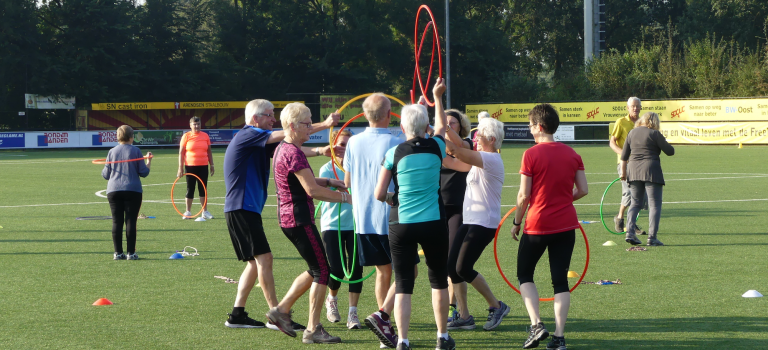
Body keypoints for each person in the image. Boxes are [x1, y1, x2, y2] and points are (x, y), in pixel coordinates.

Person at [222, 98, 338, 332]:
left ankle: (237, 314)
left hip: (244, 208)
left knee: (255, 264)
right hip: (242, 207)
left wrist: (319, 151)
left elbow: (289, 146)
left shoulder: (258, 140)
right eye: (270, 115)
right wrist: (325, 125)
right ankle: (277, 314)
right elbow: (289, 131)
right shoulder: (248, 134)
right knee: (264, 260)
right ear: (256, 118)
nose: (273, 119)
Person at [373, 78, 455, 350]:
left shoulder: (393, 152)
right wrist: (438, 97)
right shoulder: (436, 146)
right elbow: (442, 127)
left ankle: (403, 340)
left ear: (402, 127)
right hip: (433, 221)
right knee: (438, 281)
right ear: (425, 127)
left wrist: (393, 199)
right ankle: (442, 337)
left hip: (402, 223)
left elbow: (378, 193)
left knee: (404, 283)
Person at [270, 102, 351, 344]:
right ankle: (312, 329)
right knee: (322, 271)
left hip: (289, 218)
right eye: (306, 124)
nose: (310, 128)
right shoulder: (294, 152)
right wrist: (347, 198)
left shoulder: (284, 148)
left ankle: (281, 310)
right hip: (298, 219)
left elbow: (302, 180)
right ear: (292, 126)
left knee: (316, 268)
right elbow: (311, 190)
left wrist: (327, 180)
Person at [510, 104, 588, 350]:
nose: (530, 130)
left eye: (531, 126)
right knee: (560, 282)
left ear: (540, 127)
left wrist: (516, 222)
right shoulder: (572, 154)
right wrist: (563, 200)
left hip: (537, 225)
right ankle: (559, 337)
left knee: (525, 274)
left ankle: (536, 325)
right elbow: (583, 190)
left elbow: (523, 196)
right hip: (566, 225)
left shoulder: (531, 154)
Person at [343, 93, 405, 348]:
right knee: (406, 271)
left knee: (383, 272)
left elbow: (346, 182)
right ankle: (384, 317)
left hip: (364, 219)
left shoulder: (353, 143)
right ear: (389, 114)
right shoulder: (396, 140)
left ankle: (385, 324)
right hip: (391, 217)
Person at [442, 117, 510, 331]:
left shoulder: (490, 159)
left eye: (478, 134)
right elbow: (454, 155)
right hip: (470, 221)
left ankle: (496, 306)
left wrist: (435, 134)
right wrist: (439, 130)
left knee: (462, 268)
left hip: (484, 224)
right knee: (451, 269)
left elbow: (457, 151)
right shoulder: (478, 159)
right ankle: (464, 316)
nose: (475, 138)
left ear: (490, 139)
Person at [318, 129, 364, 330]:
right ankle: (332, 299)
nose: (342, 149)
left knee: (355, 269)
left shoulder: (360, 168)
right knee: (336, 268)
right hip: (332, 224)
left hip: (356, 224)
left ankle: (353, 312)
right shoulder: (327, 169)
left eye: (347, 144)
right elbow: (323, 194)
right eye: (340, 144)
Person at [620, 112, 674, 246]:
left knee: (635, 203)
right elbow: (670, 151)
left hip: (633, 170)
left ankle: (630, 233)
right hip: (651, 170)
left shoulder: (632, 133)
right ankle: (652, 238)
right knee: (654, 204)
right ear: (654, 122)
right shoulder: (654, 134)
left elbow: (624, 155)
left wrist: (623, 172)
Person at [439, 109, 472, 323]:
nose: (449, 125)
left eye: (453, 123)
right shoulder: (435, 144)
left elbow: (458, 147)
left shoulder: (467, 144)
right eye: (446, 122)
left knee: (452, 261)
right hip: (436, 207)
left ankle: (454, 307)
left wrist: (444, 127)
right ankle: (451, 306)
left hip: (458, 209)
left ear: (460, 126)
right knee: (441, 262)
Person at [101, 125, 152, 260]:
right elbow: (144, 172)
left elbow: (105, 175)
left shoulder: (111, 151)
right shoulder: (135, 151)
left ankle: (118, 253)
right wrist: (148, 162)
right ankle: (131, 253)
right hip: (132, 190)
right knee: (131, 221)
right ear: (131, 137)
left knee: (117, 222)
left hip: (113, 190)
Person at [609, 97, 646, 235]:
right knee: (628, 192)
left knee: (638, 194)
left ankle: (626, 220)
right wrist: (624, 155)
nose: (635, 108)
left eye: (637, 106)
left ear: (641, 107)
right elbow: (612, 143)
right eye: (633, 106)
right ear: (628, 108)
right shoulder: (621, 122)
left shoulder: (643, 123)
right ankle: (623, 220)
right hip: (624, 163)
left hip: (639, 163)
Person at [177, 116, 214, 220]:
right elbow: (181, 152)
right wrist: (180, 168)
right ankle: (188, 212)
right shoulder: (186, 136)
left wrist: (212, 164)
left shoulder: (205, 136)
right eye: (194, 124)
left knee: (203, 189)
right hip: (190, 166)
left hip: (203, 166)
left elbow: (209, 151)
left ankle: (205, 211)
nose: (197, 126)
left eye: (198, 124)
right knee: (190, 188)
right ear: (190, 125)